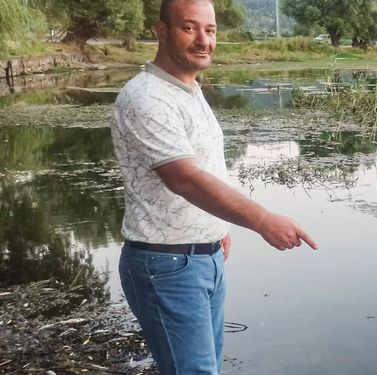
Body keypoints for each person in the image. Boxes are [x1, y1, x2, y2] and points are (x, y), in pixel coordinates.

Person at [110, 0, 318, 373]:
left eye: (211, 30)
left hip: (203, 258)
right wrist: (263, 220)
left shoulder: (189, 90)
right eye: (190, 28)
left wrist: (217, 229)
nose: (203, 40)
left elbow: (207, 167)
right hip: (166, 264)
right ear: (161, 31)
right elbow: (184, 178)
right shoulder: (146, 96)